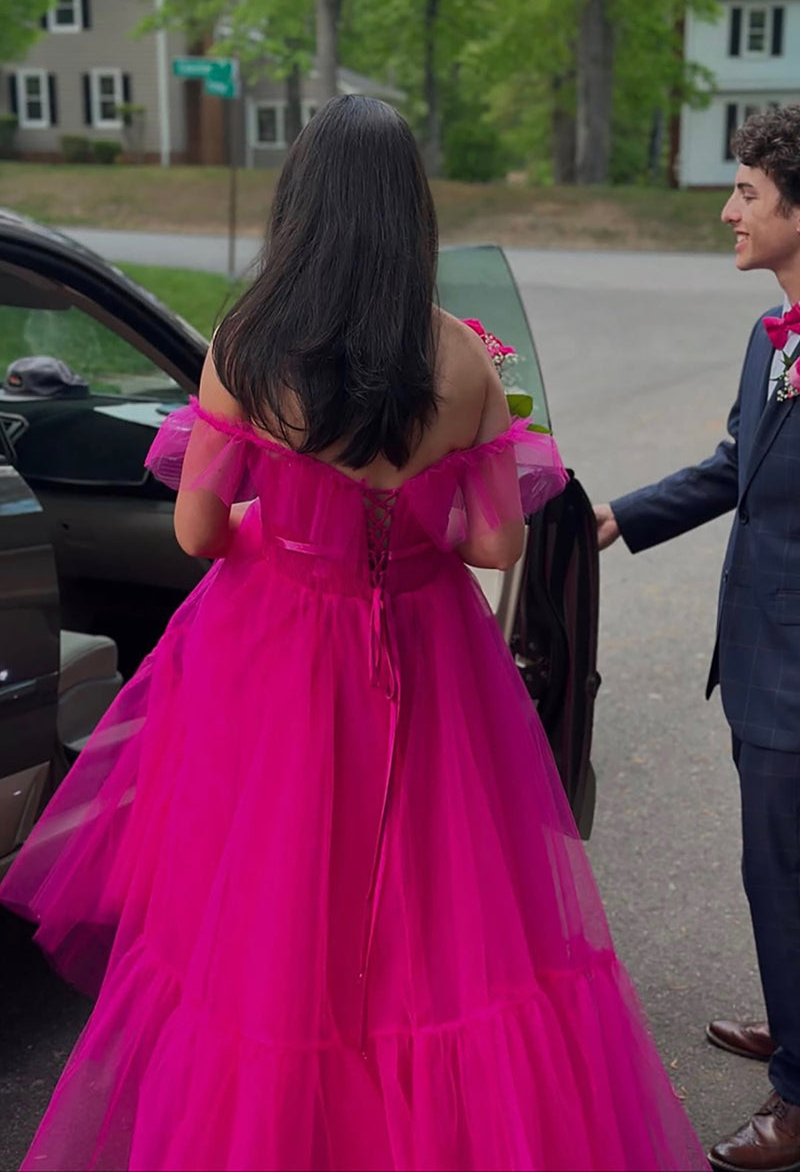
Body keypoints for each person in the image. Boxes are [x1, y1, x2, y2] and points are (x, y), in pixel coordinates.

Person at [0, 95, 706, 1172]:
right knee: (431, 912)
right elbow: (494, 548)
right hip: (429, 658)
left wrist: (279, 529)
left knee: (270, 907)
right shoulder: (462, 360)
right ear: (406, 216)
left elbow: (194, 530)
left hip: (273, 655)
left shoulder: (249, 344)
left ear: (304, 209)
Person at [594, 103, 800, 1172]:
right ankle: (793, 1017)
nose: (726, 211)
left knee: (780, 869)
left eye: (747, 195)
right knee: (776, 871)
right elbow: (732, 467)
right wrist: (613, 518)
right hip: (762, 658)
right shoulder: (767, 335)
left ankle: (796, 1101)